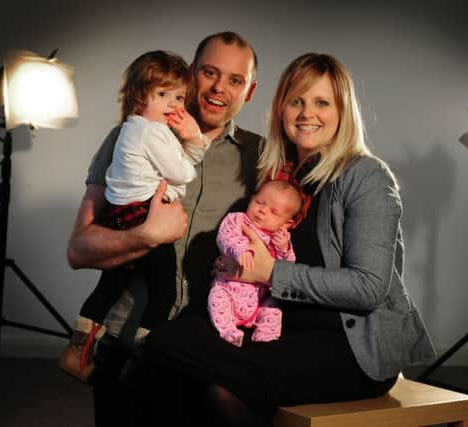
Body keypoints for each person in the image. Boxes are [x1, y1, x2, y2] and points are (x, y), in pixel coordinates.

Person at [122, 52, 437, 426]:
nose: (307, 113)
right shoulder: (283, 175)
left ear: (342, 112)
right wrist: (232, 265)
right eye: (296, 101)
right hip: (279, 327)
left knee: (216, 387)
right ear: (281, 108)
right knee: (161, 349)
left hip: (349, 346)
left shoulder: (366, 176)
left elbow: (368, 287)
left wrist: (269, 272)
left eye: (322, 103)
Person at [66, 32, 261, 426]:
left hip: (203, 354)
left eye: (235, 80)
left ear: (250, 91)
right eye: (209, 72)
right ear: (191, 73)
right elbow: (79, 250)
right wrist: (146, 235)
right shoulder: (127, 135)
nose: (219, 87)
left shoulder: (262, 157)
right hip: (123, 346)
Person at [60, 50, 209, 382]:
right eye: (162, 95)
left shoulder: (130, 128)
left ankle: (77, 352)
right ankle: (142, 360)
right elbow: (182, 172)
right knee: (163, 294)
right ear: (141, 95)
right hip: (144, 216)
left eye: (180, 97)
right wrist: (195, 141)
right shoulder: (153, 132)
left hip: (119, 215)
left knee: (110, 287)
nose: (173, 104)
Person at [209, 179, 302, 347]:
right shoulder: (238, 220)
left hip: (259, 301)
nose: (262, 211)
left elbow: (287, 270)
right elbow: (225, 237)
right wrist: (240, 249)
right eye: (259, 202)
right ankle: (229, 332)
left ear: (287, 223)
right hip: (228, 288)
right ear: (251, 199)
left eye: (274, 212)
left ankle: (265, 339)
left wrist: (284, 248)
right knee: (217, 297)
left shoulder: (279, 239)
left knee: (273, 308)